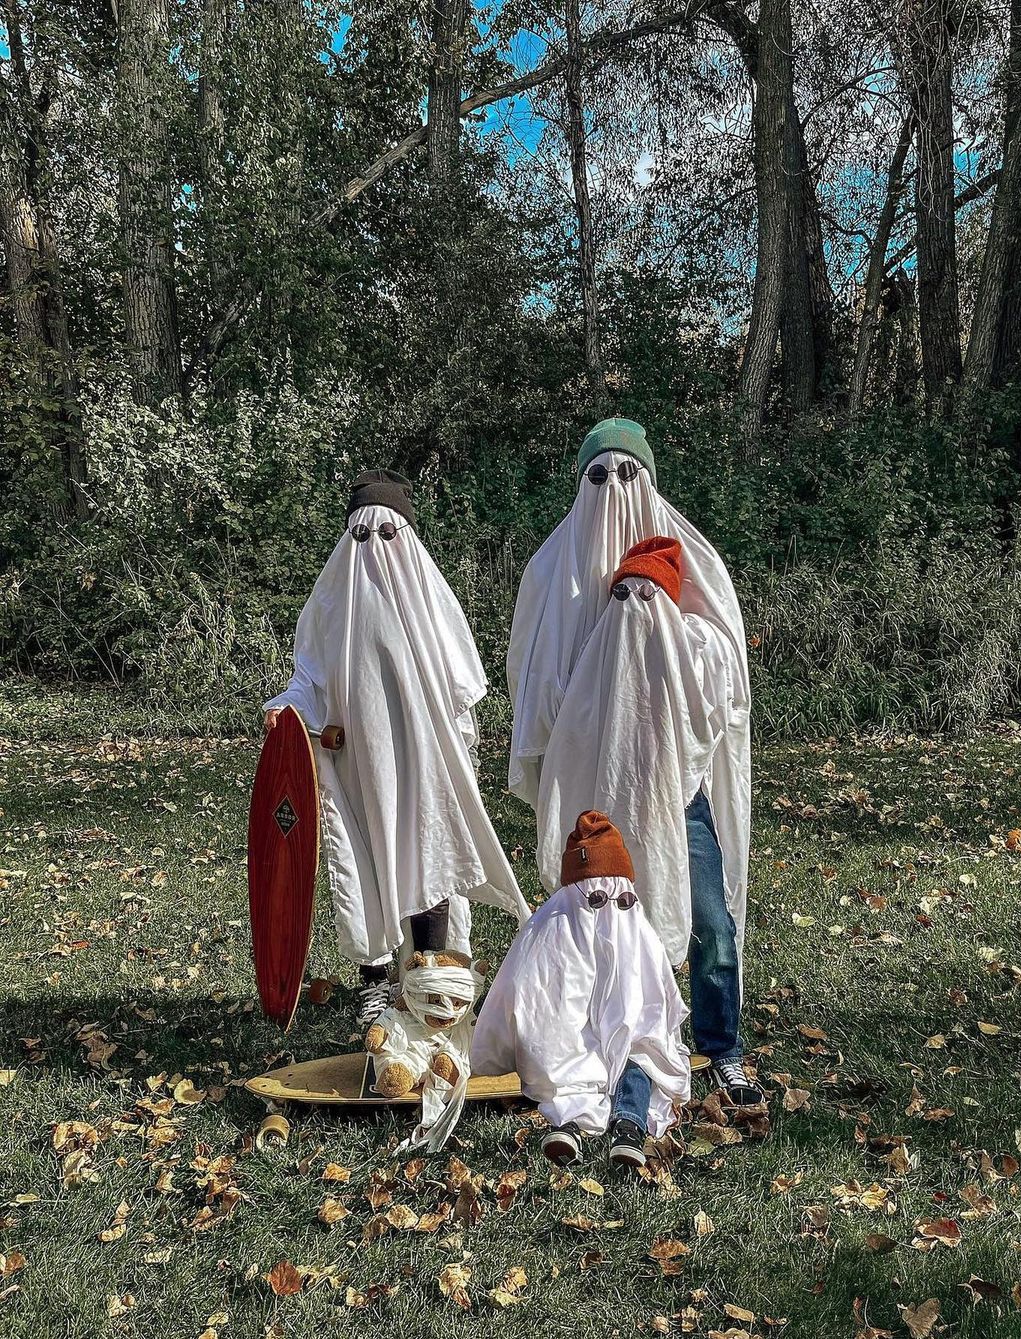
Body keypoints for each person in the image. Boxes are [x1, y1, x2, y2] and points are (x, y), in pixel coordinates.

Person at [508, 421, 758, 1103]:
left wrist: (660, 623)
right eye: (599, 476)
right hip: (591, 787)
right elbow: (531, 679)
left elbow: (724, 665)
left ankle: (722, 1046)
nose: (613, 489)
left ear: (649, 482)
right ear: (579, 484)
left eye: (628, 474)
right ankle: (595, 1043)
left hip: (676, 784)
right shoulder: (551, 574)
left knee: (708, 919)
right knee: (592, 921)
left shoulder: (689, 557)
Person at [263, 469, 530, 1029]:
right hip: (356, 766)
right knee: (363, 870)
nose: (373, 546)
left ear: (406, 536)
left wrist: (454, 741)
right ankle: (376, 983)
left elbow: (462, 679)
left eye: (387, 533)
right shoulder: (330, 604)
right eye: (360, 534)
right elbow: (308, 677)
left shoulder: (427, 597)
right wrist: (288, 709)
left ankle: (430, 981)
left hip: (422, 764)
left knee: (428, 857)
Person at [472, 811, 690, 1167]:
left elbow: (656, 996)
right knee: (567, 1059)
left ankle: (629, 1128)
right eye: (596, 899)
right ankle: (569, 1125)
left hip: (629, 1041)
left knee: (641, 1061)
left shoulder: (636, 931)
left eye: (621, 900)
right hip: (572, 1044)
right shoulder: (550, 930)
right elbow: (530, 995)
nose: (611, 911)